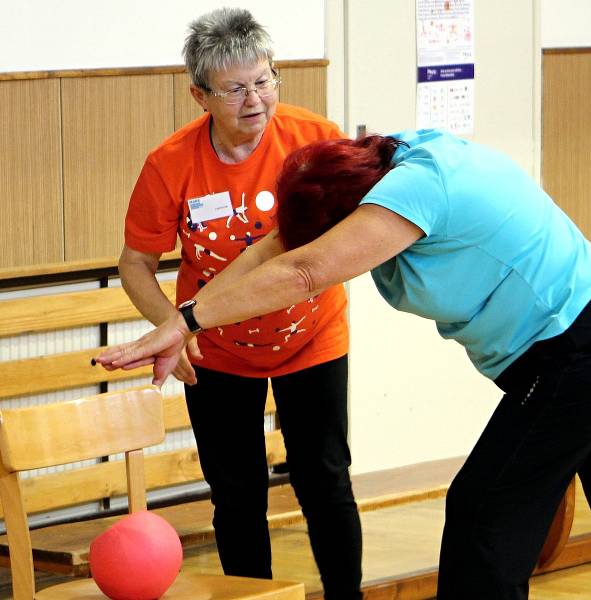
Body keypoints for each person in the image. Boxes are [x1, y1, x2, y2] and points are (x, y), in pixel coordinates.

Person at [99, 129, 591, 600]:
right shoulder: (382, 168)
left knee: (485, 510)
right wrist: (179, 319)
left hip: (579, 346)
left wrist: (185, 323)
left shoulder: (414, 191)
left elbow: (302, 268)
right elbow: (279, 247)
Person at [117, 7, 361, 599]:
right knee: (236, 490)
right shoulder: (171, 164)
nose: (255, 100)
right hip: (217, 348)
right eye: (234, 89)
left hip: (314, 335)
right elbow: (136, 264)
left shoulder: (314, 138)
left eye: (264, 81)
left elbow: (352, 232)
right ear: (200, 95)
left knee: (323, 477)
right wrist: (169, 331)